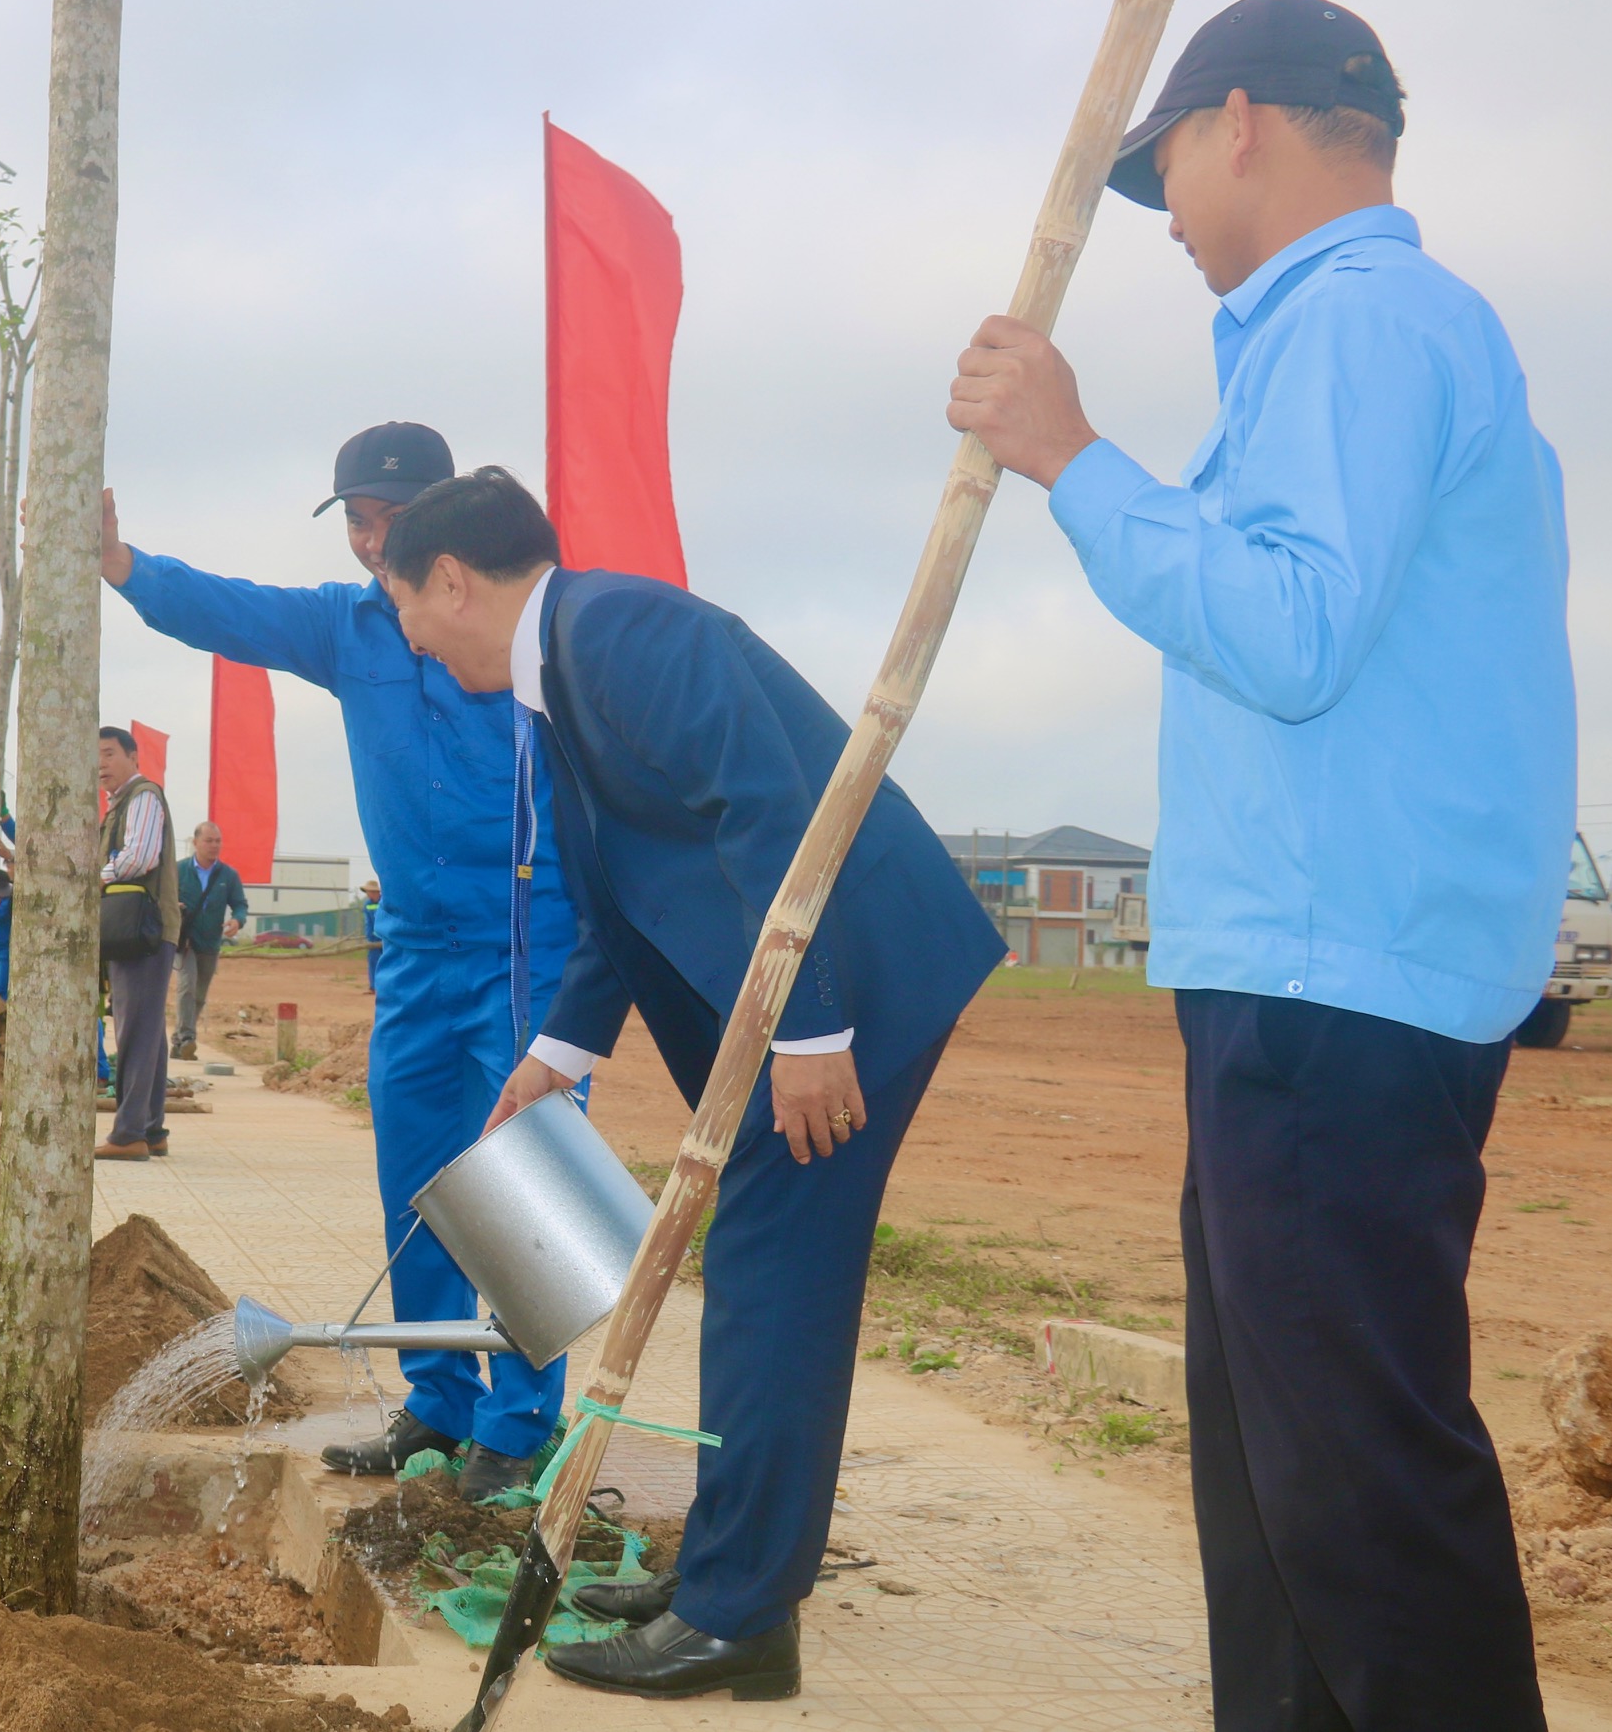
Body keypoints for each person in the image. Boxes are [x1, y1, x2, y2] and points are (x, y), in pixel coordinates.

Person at [944, 0, 1565, 1731]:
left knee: (1357, 1507)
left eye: (1168, 178)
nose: (1174, 229)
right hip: (1332, 970)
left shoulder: (1358, 323)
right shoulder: (1402, 334)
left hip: (1333, 980)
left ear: (1237, 122)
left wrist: (1071, 457)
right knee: (1283, 1506)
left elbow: (1291, 632)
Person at [380, 468, 1001, 1701]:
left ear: (450, 578)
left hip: (854, 984)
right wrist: (556, 1058)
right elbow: (609, 901)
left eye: (404, 608)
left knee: (774, 1283)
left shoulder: (621, 630)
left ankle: (737, 1614)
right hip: (807, 999)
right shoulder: (559, 675)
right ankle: (733, 1573)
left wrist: (811, 1032)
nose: (411, 640)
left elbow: (773, 807)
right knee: (767, 1280)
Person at [101, 421, 581, 1498]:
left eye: (386, 519)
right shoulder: (350, 628)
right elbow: (228, 607)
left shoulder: (509, 622)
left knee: (521, 1178)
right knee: (415, 1179)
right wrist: (123, 568)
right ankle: (437, 1400)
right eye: (356, 521)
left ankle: (519, 1423)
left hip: (526, 942)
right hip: (411, 951)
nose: (370, 542)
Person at [94, 727, 180, 1160]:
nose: (101, 765)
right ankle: (151, 1128)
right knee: (148, 1033)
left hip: (142, 933)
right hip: (137, 934)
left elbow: (139, 857)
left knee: (135, 1032)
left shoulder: (142, 797)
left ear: (132, 756)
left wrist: (95, 875)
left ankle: (128, 1136)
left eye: (108, 754)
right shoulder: (118, 806)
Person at [168, 821, 246, 1061]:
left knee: (200, 994)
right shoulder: (178, 870)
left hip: (210, 943)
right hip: (185, 941)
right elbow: (163, 898)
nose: (214, 846)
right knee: (187, 987)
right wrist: (175, 907)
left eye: (217, 841)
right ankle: (188, 1038)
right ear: (195, 843)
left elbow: (240, 905)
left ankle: (179, 1042)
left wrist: (237, 921)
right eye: (208, 841)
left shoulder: (228, 875)